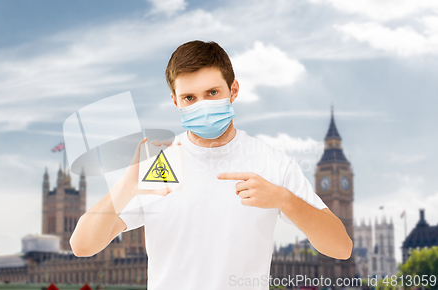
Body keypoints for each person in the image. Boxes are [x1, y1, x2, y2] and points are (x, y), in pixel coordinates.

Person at [70, 40, 353, 289]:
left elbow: (340, 247)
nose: (202, 106)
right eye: (189, 98)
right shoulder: (159, 164)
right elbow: (82, 245)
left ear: (234, 90)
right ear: (175, 101)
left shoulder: (273, 163)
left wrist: (284, 199)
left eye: (213, 93)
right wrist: (126, 186)